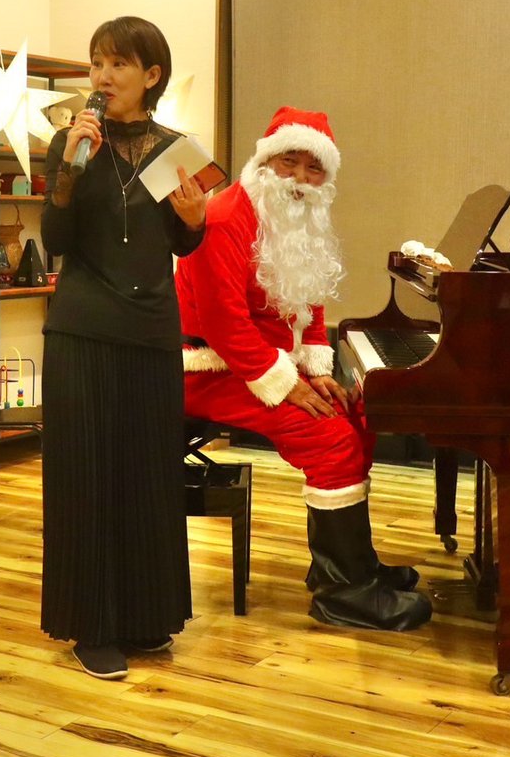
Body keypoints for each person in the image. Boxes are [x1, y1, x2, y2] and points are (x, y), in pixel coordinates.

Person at [175, 106, 432, 631]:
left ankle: (350, 565)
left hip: (260, 365)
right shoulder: (225, 217)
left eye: (313, 169)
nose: (299, 178)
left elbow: (311, 302)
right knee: (329, 437)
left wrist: (315, 369)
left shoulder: (300, 221)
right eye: (288, 162)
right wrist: (286, 384)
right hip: (209, 368)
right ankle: (343, 596)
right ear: (265, 162)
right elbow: (224, 324)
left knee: (355, 417)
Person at [39, 16, 208, 680]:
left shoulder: (175, 151)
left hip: (151, 331)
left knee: (147, 476)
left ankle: (144, 614)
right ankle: (93, 626)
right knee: (86, 477)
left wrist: (194, 222)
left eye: (117, 64)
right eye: (96, 64)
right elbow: (55, 238)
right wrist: (69, 169)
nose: (102, 77)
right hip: (82, 329)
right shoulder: (71, 143)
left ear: (151, 75)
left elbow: (181, 243)